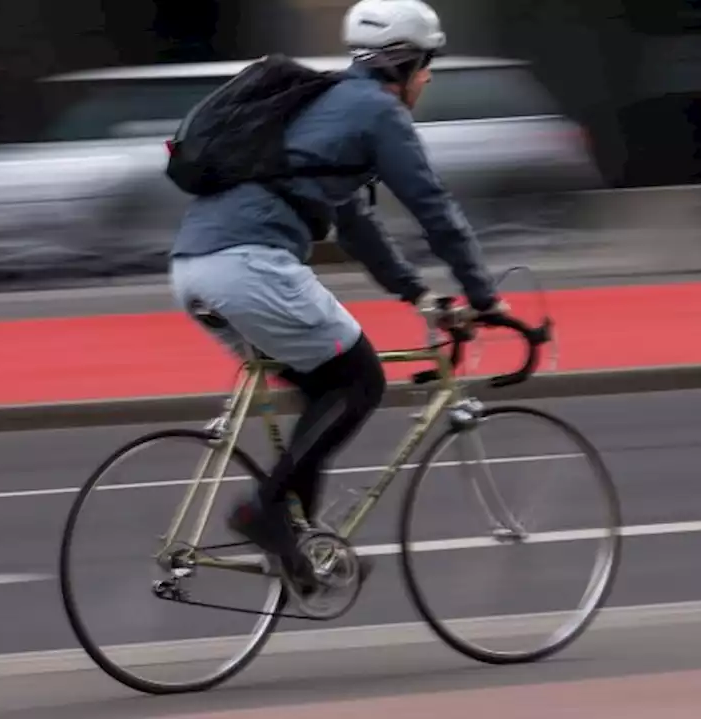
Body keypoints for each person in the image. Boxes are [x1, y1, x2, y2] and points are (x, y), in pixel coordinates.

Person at [168, 0, 508, 600]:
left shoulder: (321, 106)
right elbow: (435, 211)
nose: (428, 78)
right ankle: (265, 512)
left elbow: (355, 226)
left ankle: (300, 547)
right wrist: (485, 296)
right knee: (360, 382)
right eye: (428, 65)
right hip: (251, 266)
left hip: (192, 269)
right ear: (403, 62)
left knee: (320, 393)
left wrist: (418, 293)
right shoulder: (378, 112)